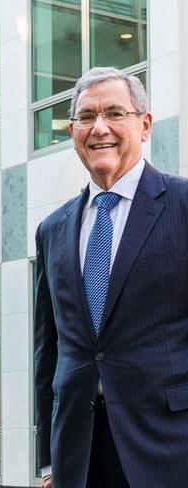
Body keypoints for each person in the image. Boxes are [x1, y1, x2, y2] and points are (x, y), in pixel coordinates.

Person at [35, 66, 188, 488]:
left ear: (145, 124)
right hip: (78, 458)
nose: (99, 128)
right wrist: (49, 461)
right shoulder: (52, 230)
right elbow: (48, 354)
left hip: (169, 448)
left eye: (115, 113)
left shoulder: (182, 205)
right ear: (72, 131)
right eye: (86, 117)